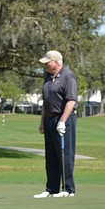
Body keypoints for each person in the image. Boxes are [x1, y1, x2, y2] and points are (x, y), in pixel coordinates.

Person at [34, 50, 77, 199]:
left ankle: (68, 189)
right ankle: (51, 188)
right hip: (49, 119)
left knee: (64, 154)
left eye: (48, 62)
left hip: (64, 118)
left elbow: (71, 100)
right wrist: (42, 122)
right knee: (51, 155)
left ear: (57, 62)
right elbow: (46, 102)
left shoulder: (68, 76)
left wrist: (63, 121)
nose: (45, 65)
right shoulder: (48, 77)